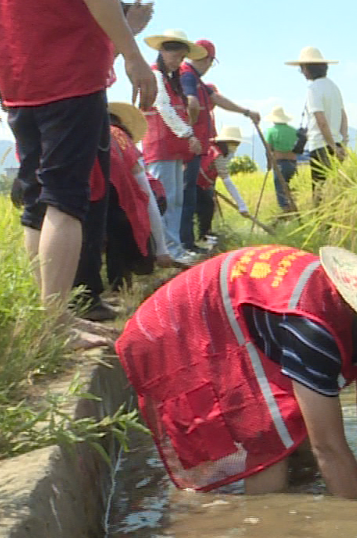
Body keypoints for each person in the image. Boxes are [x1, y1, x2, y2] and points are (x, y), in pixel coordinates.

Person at [115, 244, 357, 498]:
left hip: (238, 305)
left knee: (298, 423)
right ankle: (264, 531)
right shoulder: (314, 329)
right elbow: (327, 446)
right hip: (180, 323)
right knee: (272, 438)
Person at [0, 0, 157, 349]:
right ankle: (55, 321)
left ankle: (50, 317)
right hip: (69, 76)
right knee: (64, 200)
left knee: (37, 200)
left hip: (20, 81)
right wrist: (132, 53)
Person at [73, 100, 169, 319]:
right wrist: (162, 248)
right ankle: (112, 290)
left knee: (85, 237)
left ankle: (83, 294)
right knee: (119, 231)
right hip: (116, 198)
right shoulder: (121, 138)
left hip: (77, 191)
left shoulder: (81, 130)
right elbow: (144, 191)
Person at [179, 38, 259, 253]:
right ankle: (186, 244)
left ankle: (195, 239)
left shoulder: (200, 82)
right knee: (188, 200)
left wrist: (246, 112)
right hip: (190, 147)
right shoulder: (187, 75)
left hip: (195, 147)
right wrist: (190, 130)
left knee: (197, 201)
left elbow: (218, 99)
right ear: (208, 59)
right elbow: (192, 103)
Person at [140, 28, 205, 264]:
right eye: (174, 54)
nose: (178, 60)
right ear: (163, 52)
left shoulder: (171, 79)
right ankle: (165, 251)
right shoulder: (156, 75)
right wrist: (189, 134)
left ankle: (175, 248)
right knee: (164, 199)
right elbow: (164, 110)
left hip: (174, 147)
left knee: (176, 198)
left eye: (181, 57)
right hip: (159, 146)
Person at [285, 46, 347, 201]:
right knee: (335, 191)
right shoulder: (334, 87)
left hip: (321, 145)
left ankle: (321, 224)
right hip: (336, 144)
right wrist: (341, 144)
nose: (303, 72)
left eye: (302, 69)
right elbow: (343, 117)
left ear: (307, 68)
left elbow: (321, 121)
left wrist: (331, 145)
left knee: (319, 193)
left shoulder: (313, 88)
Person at [194, 124, 250, 235]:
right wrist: (241, 205)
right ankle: (203, 235)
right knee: (205, 207)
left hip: (201, 183)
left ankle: (204, 234)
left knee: (207, 207)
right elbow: (227, 181)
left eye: (237, 144)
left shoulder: (214, 150)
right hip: (197, 183)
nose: (235, 147)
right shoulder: (217, 155)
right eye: (233, 143)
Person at [263, 106, 299, 214]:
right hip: (293, 162)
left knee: (280, 187)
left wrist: (269, 164)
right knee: (288, 185)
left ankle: (286, 210)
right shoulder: (294, 131)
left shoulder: (271, 131)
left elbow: (268, 149)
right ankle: (292, 207)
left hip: (280, 163)